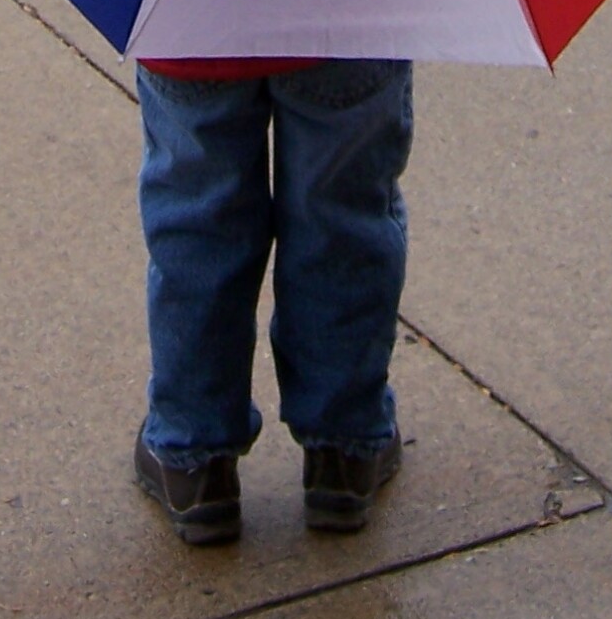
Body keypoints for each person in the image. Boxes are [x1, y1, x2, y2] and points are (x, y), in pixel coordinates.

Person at [130, 56, 413, 545]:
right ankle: (344, 448)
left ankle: (195, 456)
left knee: (198, 219)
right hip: (346, 12)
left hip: (195, 20)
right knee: (342, 215)